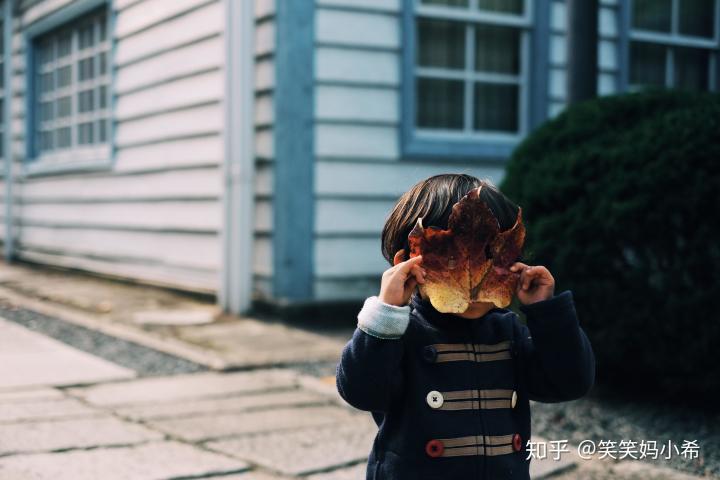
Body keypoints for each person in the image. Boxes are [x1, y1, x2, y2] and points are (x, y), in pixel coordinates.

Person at [335, 173, 596, 479]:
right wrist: (386, 313)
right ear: (408, 263)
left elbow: (570, 382)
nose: (472, 274)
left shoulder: (509, 332)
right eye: (449, 258)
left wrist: (546, 312)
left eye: (490, 255)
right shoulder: (400, 333)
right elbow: (361, 392)